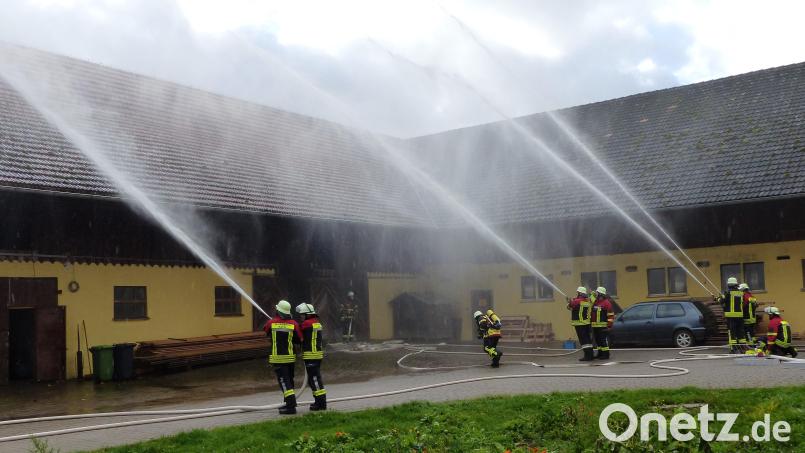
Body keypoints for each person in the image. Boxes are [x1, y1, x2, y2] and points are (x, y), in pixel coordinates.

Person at [263, 300, 302, 415]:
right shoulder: (294, 324)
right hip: (290, 358)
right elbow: (299, 339)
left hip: (278, 358)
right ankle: (288, 403)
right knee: (289, 381)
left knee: (284, 382)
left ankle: (290, 407)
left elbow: (266, 330)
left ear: (278, 311)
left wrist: (274, 321)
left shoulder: (271, 323)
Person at [295, 302, 327, 411]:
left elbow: (298, 334)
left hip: (312, 355)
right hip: (316, 354)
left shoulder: (307, 324)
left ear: (308, 314)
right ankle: (319, 401)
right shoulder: (315, 322)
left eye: (302, 315)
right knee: (314, 379)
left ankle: (321, 403)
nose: (301, 317)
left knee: (314, 379)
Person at [716, 277, 746, 353]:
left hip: (731, 317)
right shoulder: (740, 293)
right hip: (740, 316)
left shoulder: (728, 293)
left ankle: (733, 349)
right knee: (740, 333)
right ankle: (743, 348)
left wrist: (717, 298)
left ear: (729, 285)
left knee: (732, 333)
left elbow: (721, 301)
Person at [568, 286, 593, 361]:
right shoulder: (587, 301)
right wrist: (572, 300)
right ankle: (590, 355)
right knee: (588, 340)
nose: (577, 293)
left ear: (579, 293)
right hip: (586, 323)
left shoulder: (577, 301)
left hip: (580, 324)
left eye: (578, 292)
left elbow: (570, 306)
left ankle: (587, 356)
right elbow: (574, 307)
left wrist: (569, 301)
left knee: (583, 341)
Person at [590, 286, 614, 360]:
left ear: (600, 294)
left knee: (603, 341)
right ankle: (600, 354)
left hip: (603, 326)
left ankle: (606, 354)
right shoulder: (596, 302)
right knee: (598, 341)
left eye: (597, 292)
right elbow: (591, 299)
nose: (596, 294)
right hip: (595, 326)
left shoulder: (606, 303)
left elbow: (610, 315)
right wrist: (592, 294)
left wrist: (609, 326)